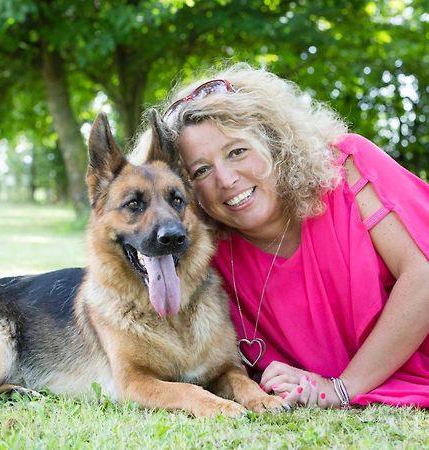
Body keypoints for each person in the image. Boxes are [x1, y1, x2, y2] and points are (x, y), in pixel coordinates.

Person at [134, 63, 429, 408]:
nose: (226, 179)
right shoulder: (208, 256)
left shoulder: (346, 166)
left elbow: (422, 277)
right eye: (201, 170)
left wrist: (342, 388)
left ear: (275, 142)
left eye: (237, 151)